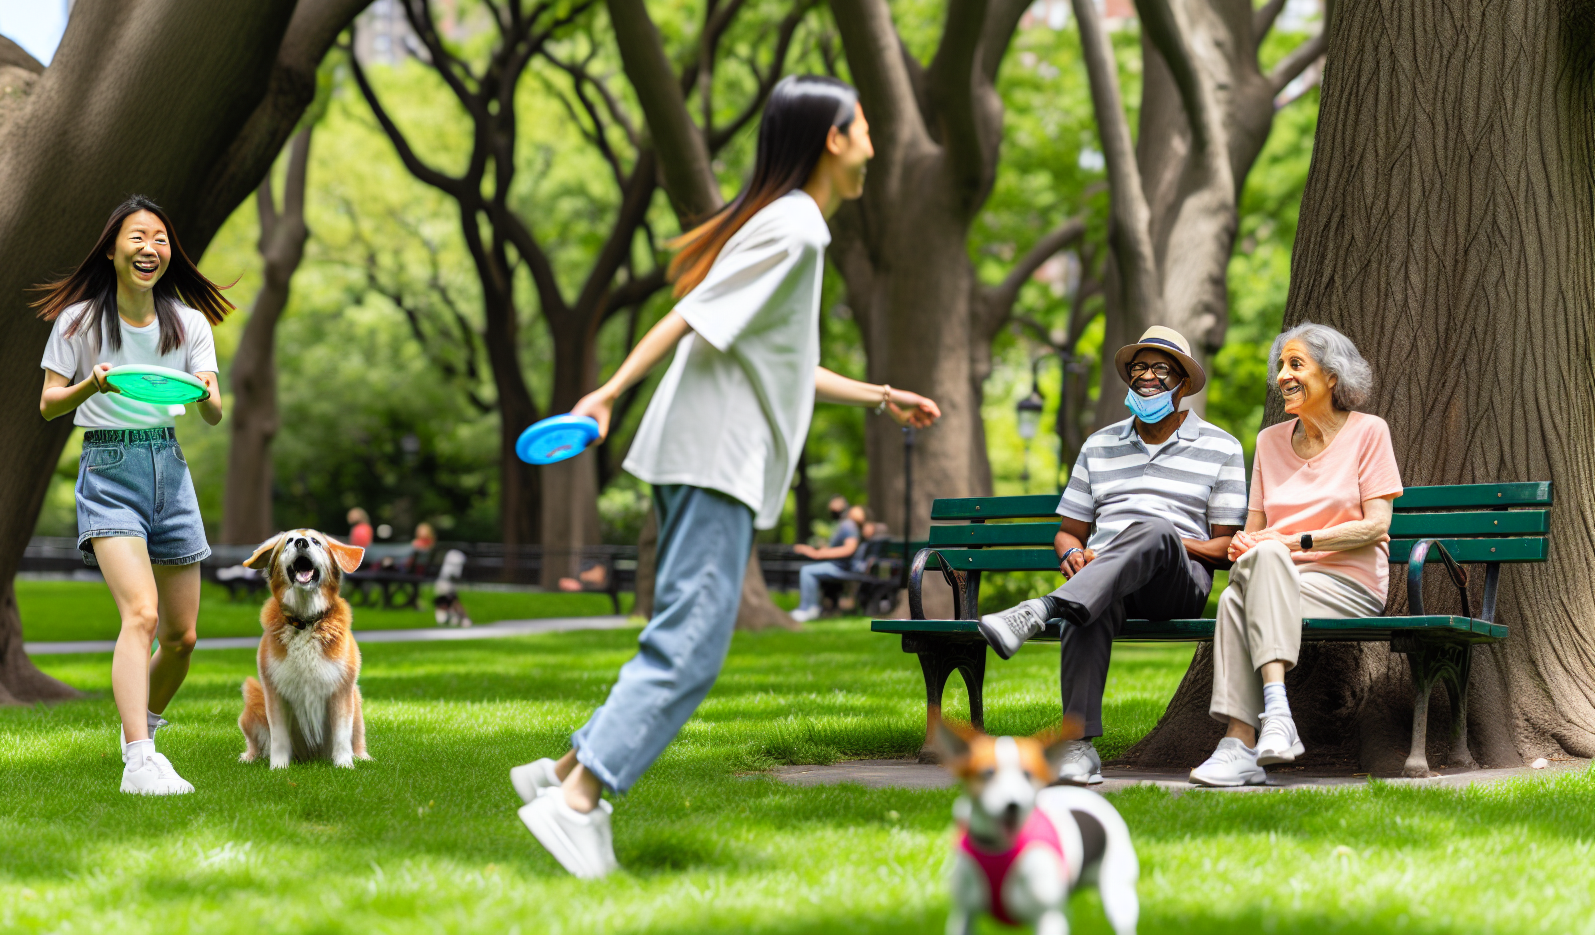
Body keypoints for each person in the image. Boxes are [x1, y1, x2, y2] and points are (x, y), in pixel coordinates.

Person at [506, 75, 942, 878]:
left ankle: (560, 773)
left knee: (679, 627)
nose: (875, 145)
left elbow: (781, 359)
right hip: (714, 458)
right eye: (866, 129)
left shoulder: (790, 225)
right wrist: (605, 394)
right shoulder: (799, 228)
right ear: (833, 140)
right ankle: (578, 804)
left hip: (705, 455)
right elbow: (692, 315)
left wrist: (880, 395)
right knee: (694, 644)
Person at [976, 327, 1247, 786]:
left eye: (1161, 369)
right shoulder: (1098, 445)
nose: (1147, 377)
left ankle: (1042, 609)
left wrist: (1171, 539)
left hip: (1175, 584)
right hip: (1104, 576)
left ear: (1182, 383)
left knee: (1155, 528)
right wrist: (1076, 554)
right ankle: (1078, 747)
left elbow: (1226, 548)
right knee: (1090, 602)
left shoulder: (1221, 447)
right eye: (1139, 367)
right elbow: (1068, 532)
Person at [33, 195, 233, 796]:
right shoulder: (78, 321)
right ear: (114, 249)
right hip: (109, 465)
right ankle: (141, 761)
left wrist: (205, 393)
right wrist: (90, 382)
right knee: (140, 614)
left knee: (181, 637)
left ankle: (135, 730)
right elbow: (47, 405)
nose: (151, 248)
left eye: (162, 239)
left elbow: (216, 412)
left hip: (169, 467)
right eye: (139, 238)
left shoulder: (189, 324)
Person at [1189, 323, 1401, 786]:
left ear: (1332, 377)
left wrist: (1291, 542)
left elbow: (1377, 525)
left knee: (1238, 594)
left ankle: (1241, 739)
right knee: (1246, 580)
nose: (1282, 375)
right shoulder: (1268, 441)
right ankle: (1271, 722)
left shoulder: (1369, 433)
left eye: (1296, 364)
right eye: (1281, 365)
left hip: (1349, 584)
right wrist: (1249, 543)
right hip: (1274, 577)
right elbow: (1252, 534)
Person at [790, 502, 867, 621]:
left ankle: (808, 608)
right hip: (843, 567)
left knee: (807, 571)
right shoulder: (852, 527)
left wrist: (818, 554)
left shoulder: (849, 526)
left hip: (843, 568)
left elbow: (849, 549)